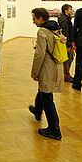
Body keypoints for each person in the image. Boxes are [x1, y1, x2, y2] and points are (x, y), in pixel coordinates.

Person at [28, 8, 63, 140]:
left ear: (41, 19)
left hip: (47, 68)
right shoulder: (56, 28)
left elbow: (40, 55)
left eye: (35, 19)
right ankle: (37, 110)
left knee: (47, 98)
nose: (33, 21)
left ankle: (54, 130)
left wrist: (34, 73)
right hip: (56, 67)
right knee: (43, 92)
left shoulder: (42, 32)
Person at [57, 4, 74, 82]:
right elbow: (65, 33)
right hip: (66, 43)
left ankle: (66, 75)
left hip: (68, 42)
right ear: (66, 10)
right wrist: (68, 45)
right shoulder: (64, 20)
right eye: (70, 9)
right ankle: (66, 76)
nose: (72, 10)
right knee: (68, 59)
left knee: (70, 58)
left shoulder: (66, 18)